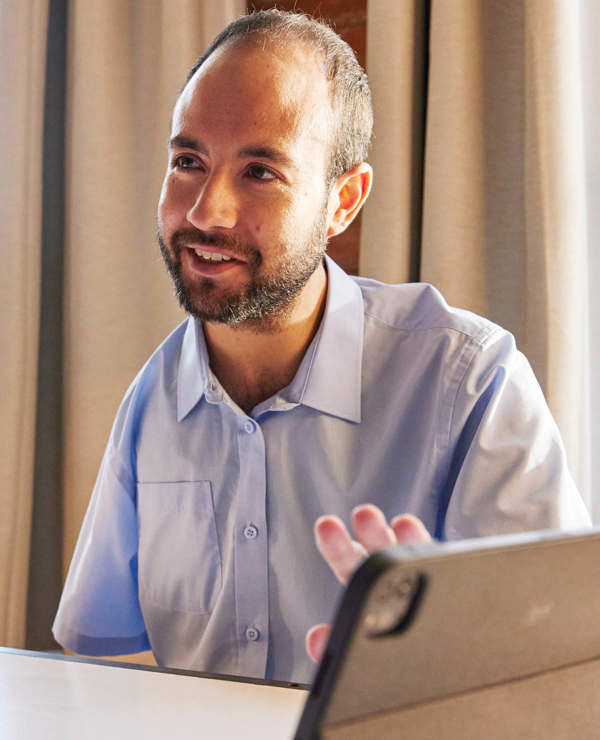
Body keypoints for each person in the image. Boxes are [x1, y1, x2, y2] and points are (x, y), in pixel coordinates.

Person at [52, 10, 590, 685]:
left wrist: (454, 664)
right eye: (189, 161)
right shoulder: (153, 399)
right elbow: (97, 658)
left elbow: (566, 677)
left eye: (260, 172)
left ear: (344, 201)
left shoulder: (472, 383)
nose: (205, 212)